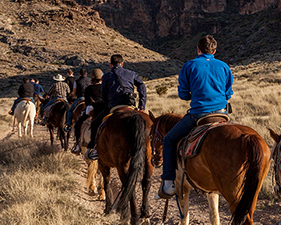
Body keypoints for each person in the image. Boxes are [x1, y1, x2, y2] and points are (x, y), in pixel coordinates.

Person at [158, 35, 233, 198]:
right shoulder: (224, 66)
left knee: (169, 140)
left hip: (199, 115)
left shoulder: (189, 65)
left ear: (198, 49)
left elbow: (184, 95)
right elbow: (228, 93)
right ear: (214, 50)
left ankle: (169, 182)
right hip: (222, 114)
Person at [86, 55, 147, 160]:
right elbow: (142, 86)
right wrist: (142, 105)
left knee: (96, 123)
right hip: (131, 105)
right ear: (122, 63)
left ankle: (94, 148)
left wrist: (106, 103)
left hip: (114, 106)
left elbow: (104, 94)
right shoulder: (131, 73)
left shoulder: (107, 76)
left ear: (111, 65)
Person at [71, 68, 104, 154]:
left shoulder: (89, 88)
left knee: (78, 124)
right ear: (101, 78)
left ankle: (78, 144)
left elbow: (86, 102)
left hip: (92, 108)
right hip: (104, 108)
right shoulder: (104, 87)